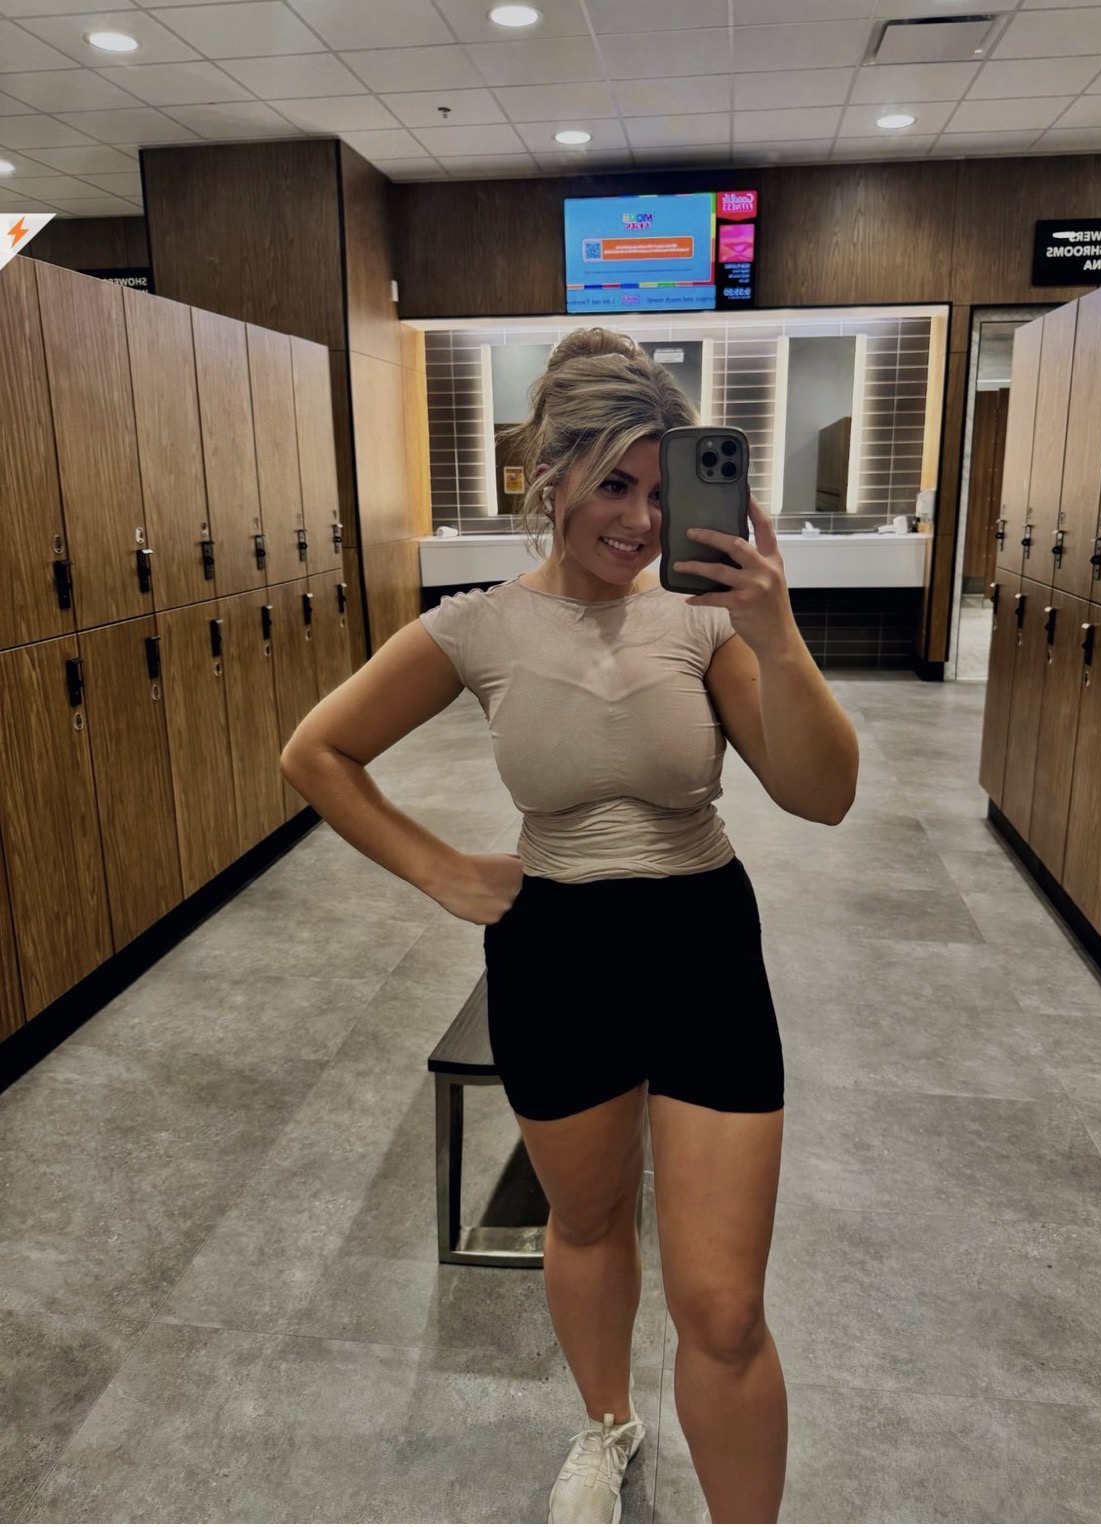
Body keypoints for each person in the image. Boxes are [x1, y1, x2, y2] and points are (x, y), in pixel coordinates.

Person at [280, 328, 859, 1524]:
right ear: (549, 479)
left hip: (701, 946)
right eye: (613, 485)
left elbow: (823, 794)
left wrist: (777, 633)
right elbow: (317, 751)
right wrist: (441, 871)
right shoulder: (477, 627)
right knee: (587, 1223)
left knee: (723, 1309)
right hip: (558, 958)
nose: (642, 520)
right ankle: (607, 1428)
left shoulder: (702, 624)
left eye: (659, 489)